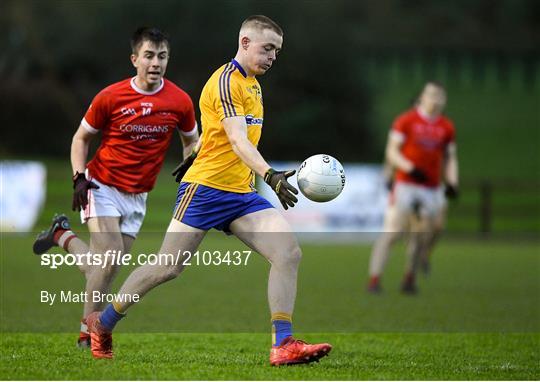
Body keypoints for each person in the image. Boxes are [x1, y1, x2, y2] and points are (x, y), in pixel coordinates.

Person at [84, 15, 332, 366]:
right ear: (245, 43)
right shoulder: (226, 81)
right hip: (205, 190)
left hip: (240, 194)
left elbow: (218, 135)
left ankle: (283, 344)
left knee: (288, 253)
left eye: (277, 51)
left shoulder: (253, 84)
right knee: (167, 267)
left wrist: (202, 152)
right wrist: (270, 175)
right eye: (267, 48)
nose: (272, 57)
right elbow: (235, 137)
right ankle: (103, 323)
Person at [32, 27, 199, 347]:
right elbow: (81, 139)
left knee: (103, 267)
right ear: (134, 59)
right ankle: (87, 333)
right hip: (101, 185)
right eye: (149, 56)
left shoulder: (179, 100)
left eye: (162, 56)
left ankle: (60, 235)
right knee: (108, 260)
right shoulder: (111, 96)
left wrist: (190, 165)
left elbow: (191, 141)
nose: (156, 63)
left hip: (139, 195)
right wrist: (78, 177)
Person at [367, 81, 459, 294]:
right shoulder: (406, 120)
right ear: (423, 97)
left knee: (424, 232)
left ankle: (410, 277)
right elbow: (392, 152)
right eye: (432, 95)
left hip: (432, 188)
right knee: (392, 232)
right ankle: (374, 279)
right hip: (406, 184)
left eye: (440, 96)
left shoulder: (446, 127)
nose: (436, 99)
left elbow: (450, 158)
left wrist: (453, 182)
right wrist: (407, 168)